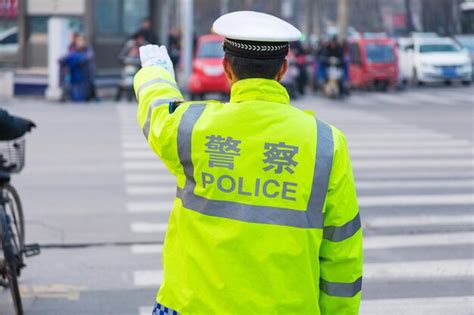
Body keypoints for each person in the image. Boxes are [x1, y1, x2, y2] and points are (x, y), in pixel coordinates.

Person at [135, 11, 362, 315]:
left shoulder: (192, 127)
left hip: (192, 306)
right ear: (283, 69)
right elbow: (342, 250)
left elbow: (157, 111)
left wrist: (156, 73)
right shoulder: (326, 143)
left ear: (226, 68)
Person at [59, 35, 96, 102]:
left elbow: (90, 56)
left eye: (82, 41)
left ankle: (90, 95)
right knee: (67, 75)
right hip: (73, 71)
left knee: (88, 83)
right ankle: (65, 91)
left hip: (85, 72)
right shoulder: (72, 48)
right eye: (79, 41)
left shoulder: (87, 49)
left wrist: (82, 60)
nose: (80, 42)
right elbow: (68, 56)